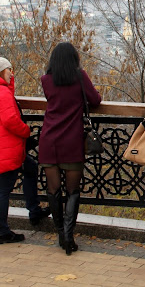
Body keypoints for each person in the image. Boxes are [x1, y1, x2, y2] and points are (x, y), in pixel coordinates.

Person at [39, 43, 102, 255]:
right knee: (73, 190)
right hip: (72, 141)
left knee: (53, 190)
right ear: (74, 59)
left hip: (49, 140)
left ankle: (60, 234)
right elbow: (95, 100)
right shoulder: (80, 77)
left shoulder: (46, 80)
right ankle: (68, 235)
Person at [0, 57, 50, 243]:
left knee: (31, 168)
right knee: (3, 190)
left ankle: (34, 210)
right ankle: (3, 232)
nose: (12, 73)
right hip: (7, 151)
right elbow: (10, 120)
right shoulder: (3, 94)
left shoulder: (5, 91)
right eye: (8, 70)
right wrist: (26, 130)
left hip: (10, 150)